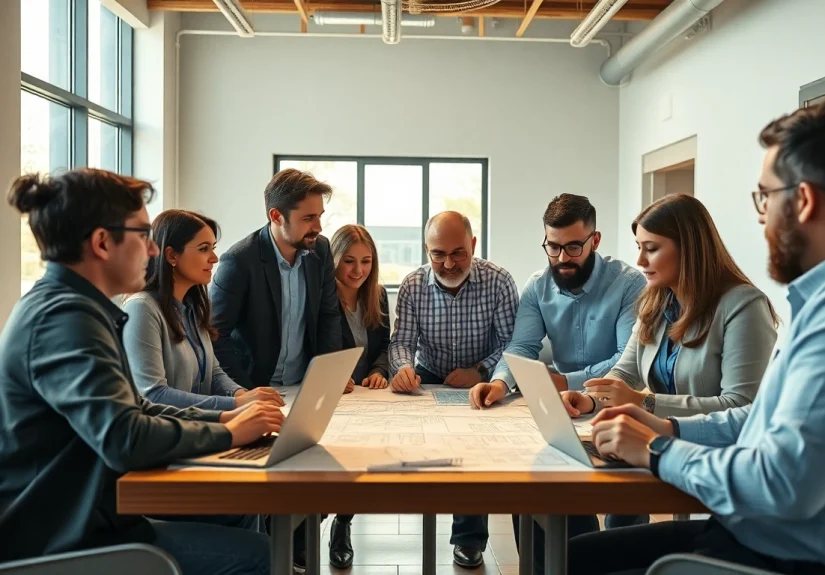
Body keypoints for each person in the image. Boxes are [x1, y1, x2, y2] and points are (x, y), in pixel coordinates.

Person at [567, 103, 825, 575]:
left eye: (765, 197)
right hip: (748, 529)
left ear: (803, 201)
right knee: (577, 554)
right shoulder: (810, 305)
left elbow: (778, 481)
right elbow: (756, 417)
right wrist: (670, 430)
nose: (762, 217)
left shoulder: (769, 312)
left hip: (779, 552)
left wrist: (658, 447)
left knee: (583, 560)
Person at [0, 169, 283, 574]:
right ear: (101, 242)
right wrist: (230, 433)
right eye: (143, 235)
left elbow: (138, 409)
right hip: (60, 536)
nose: (153, 250)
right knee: (262, 555)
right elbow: (125, 437)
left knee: (237, 513)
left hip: (91, 514)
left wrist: (225, 416)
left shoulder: (80, 309)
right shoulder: (65, 319)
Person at [560, 194, 779, 529]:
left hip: (715, 460)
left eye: (651, 248)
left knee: (601, 539)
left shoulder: (743, 307)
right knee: (573, 500)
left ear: (688, 249)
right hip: (658, 446)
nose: (640, 259)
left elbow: (742, 407)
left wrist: (645, 403)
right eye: (638, 246)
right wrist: (591, 398)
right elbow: (626, 372)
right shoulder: (658, 300)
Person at [468, 193, 646, 558]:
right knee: (533, 483)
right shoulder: (537, 286)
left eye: (574, 247)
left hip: (620, 405)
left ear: (595, 241)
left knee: (623, 517)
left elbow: (628, 362)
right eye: (553, 247)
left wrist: (569, 381)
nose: (562, 258)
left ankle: (619, 561)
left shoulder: (630, 284)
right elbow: (521, 348)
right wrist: (501, 383)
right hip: (565, 409)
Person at [209, 168, 343, 572]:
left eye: (320, 216)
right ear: (276, 216)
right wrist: (247, 391)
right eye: (309, 217)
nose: (319, 227)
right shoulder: (238, 261)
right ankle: (270, 556)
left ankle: (299, 553)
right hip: (258, 388)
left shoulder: (318, 252)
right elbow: (218, 334)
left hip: (306, 383)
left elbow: (328, 313)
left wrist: (331, 376)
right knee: (270, 481)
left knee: (317, 470)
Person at [389, 211, 519, 569]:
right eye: (438, 254)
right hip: (428, 375)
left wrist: (478, 371)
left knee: (473, 452)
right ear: (426, 250)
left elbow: (513, 345)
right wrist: (401, 368)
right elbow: (401, 341)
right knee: (431, 452)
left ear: (473, 245)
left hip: (482, 378)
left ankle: (469, 539)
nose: (448, 263)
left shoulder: (499, 281)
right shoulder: (413, 285)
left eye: (458, 253)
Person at [123, 209, 285, 411]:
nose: (214, 258)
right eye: (203, 249)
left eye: (212, 248)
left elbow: (214, 373)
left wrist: (244, 395)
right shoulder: (141, 309)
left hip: (199, 427)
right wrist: (235, 403)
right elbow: (155, 394)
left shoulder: (193, 308)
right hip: (168, 434)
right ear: (172, 255)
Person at [323, 224, 391, 569]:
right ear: (332, 259)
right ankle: (302, 531)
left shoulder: (376, 295)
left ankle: (343, 525)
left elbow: (384, 345)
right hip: (333, 395)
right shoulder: (322, 296)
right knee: (326, 467)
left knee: (356, 464)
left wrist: (379, 371)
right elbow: (314, 346)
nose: (358, 270)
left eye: (366, 261)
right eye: (349, 261)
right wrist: (335, 374)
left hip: (368, 395)